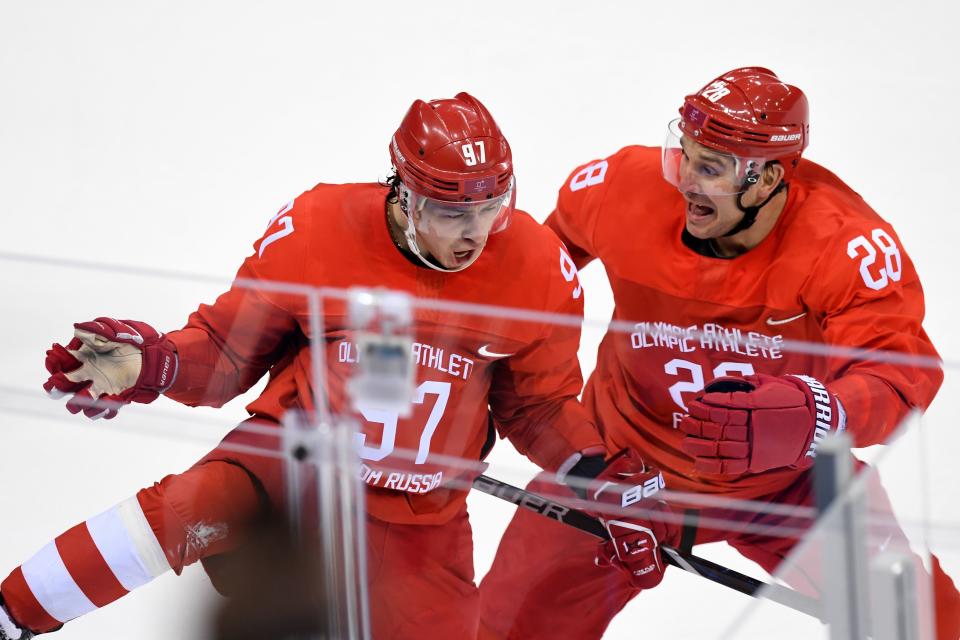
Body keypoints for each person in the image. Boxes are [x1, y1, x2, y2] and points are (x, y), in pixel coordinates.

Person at [0, 92, 675, 640]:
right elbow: (230, 351)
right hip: (292, 469)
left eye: (491, 207)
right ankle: (10, 613)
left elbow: (538, 405)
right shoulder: (320, 228)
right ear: (404, 195)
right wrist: (155, 363)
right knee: (182, 510)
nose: (476, 231)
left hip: (422, 515)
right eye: (451, 210)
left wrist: (599, 473)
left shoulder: (537, 271)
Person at [478, 68, 960, 639]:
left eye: (710, 168)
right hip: (617, 473)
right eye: (684, 156)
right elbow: (523, 282)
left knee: (922, 621)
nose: (685, 181)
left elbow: (900, 376)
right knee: (502, 631)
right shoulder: (620, 190)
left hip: (786, 482)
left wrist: (817, 413)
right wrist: (462, 376)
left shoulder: (842, 243)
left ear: (766, 179)